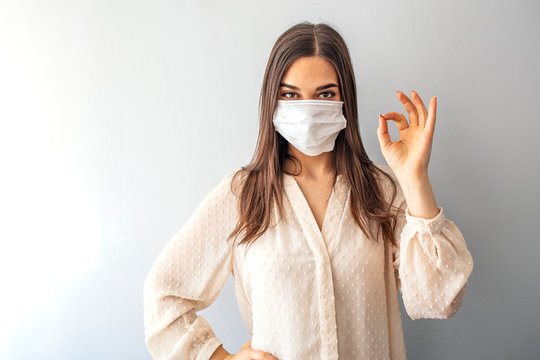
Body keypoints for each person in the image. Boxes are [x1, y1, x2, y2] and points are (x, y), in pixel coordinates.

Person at [143, 21, 474, 360]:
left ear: (345, 99)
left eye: (325, 94)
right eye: (290, 95)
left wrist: (415, 178)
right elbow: (163, 294)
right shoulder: (241, 196)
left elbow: (439, 298)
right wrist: (221, 359)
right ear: (273, 101)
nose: (308, 109)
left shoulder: (383, 191)